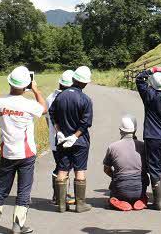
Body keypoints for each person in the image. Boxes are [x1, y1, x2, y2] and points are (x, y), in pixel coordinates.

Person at [0, 66, 48, 234]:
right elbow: (44, 109)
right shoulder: (29, 105)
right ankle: (17, 226)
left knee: (1, 187)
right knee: (23, 189)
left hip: (7, 151)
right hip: (26, 153)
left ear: (9, 82)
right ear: (26, 85)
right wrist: (36, 90)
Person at [49, 66, 94, 213]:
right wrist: (75, 137)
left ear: (73, 79)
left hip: (62, 141)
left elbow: (52, 113)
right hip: (80, 141)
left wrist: (59, 132)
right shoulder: (86, 99)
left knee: (62, 169)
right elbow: (86, 123)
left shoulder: (60, 96)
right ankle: (80, 205)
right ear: (86, 83)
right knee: (80, 170)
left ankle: (62, 205)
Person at [135, 67, 161, 211]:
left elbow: (139, 79)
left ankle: (158, 202)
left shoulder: (150, 95)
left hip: (152, 136)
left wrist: (151, 70)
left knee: (154, 168)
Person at [102, 115, 149, 211]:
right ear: (135, 130)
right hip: (139, 190)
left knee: (114, 192)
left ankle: (117, 200)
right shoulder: (143, 146)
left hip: (120, 190)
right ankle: (142, 199)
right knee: (143, 178)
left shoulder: (112, 147)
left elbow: (106, 169)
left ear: (120, 130)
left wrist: (114, 176)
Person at [45, 70, 74, 204]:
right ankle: (59, 196)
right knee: (63, 167)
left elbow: (47, 120)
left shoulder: (50, 97)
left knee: (61, 166)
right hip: (66, 138)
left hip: (54, 137)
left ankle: (58, 195)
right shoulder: (68, 98)